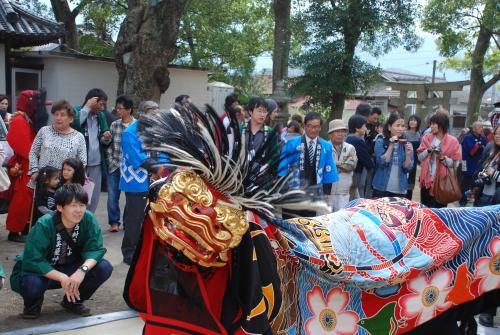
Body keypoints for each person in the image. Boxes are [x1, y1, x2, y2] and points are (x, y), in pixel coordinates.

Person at [10, 184, 113, 319]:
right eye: (73, 205)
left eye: (82, 205)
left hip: (72, 268)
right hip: (44, 272)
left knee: (104, 267)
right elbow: (34, 260)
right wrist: (61, 277)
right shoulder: (44, 224)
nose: (79, 210)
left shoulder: (88, 219)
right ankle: (32, 304)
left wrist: (82, 270)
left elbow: (95, 249)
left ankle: (73, 301)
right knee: (32, 283)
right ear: (60, 207)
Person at [119, 101, 166, 265]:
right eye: (151, 113)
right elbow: (134, 156)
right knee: (135, 218)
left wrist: (163, 165)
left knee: (153, 216)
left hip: (154, 179)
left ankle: (147, 248)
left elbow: (162, 152)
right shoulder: (130, 132)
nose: (154, 117)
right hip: (136, 181)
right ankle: (129, 252)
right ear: (142, 114)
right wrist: (155, 167)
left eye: (156, 114)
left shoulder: (155, 131)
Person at [6, 90, 48, 243]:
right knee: (21, 200)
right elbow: (24, 147)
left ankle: (24, 227)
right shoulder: (19, 120)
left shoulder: (26, 119)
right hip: (25, 166)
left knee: (27, 200)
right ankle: (14, 230)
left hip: (30, 165)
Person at [278, 112, 339, 217]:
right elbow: (282, 167)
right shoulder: (292, 143)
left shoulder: (326, 146)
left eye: (316, 127)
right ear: (304, 126)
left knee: (308, 226)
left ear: (320, 127)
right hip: (292, 192)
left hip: (313, 193)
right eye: (310, 126)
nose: (313, 130)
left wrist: (326, 192)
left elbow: (328, 170)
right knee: (289, 225)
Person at [28, 100, 87, 186]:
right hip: (44, 180)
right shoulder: (44, 131)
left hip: (66, 184)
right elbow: (33, 152)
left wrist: (71, 178)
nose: (58, 118)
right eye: (56, 114)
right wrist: (35, 170)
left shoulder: (79, 137)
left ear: (71, 119)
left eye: (62, 115)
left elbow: (82, 162)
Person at [72, 88, 111, 213]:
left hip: (96, 163)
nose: (103, 108)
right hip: (79, 163)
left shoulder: (101, 116)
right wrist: (87, 108)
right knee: (78, 194)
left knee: (93, 196)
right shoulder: (76, 111)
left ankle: (89, 219)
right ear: (92, 101)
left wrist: (106, 137)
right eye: (101, 104)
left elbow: (103, 136)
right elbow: (75, 125)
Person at [417, 112, 461, 208]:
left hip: (442, 183)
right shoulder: (427, 138)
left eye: (433, 124)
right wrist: (428, 150)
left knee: (439, 213)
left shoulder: (453, 141)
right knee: (425, 211)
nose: (431, 126)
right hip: (427, 182)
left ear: (441, 125)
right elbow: (419, 157)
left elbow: (454, 164)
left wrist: (442, 157)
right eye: (431, 123)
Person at [106, 95, 135, 233]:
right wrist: (110, 159)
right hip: (115, 165)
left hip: (131, 168)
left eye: (120, 108)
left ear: (129, 110)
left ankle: (127, 222)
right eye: (116, 108)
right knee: (112, 196)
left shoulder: (137, 126)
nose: (118, 111)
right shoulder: (114, 125)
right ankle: (114, 222)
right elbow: (108, 144)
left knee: (130, 197)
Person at [372, 113, 414, 198]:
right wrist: (391, 145)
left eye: (402, 126)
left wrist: (408, 154)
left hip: (400, 189)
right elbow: (381, 163)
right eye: (397, 125)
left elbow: (407, 169)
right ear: (389, 127)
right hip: (381, 188)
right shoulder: (380, 142)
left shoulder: (407, 144)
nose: (400, 129)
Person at [328, 119, 357, 211]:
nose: (340, 134)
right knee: (324, 218)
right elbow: (325, 166)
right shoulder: (324, 147)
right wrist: (343, 164)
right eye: (337, 131)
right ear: (331, 133)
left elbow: (352, 165)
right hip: (327, 191)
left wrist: (335, 164)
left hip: (344, 190)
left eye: (343, 131)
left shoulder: (350, 148)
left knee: (341, 217)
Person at [345, 114, 373, 198]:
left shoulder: (347, 138)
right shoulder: (357, 141)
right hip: (357, 174)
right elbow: (367, 162)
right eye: (364, 126)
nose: (365, 128)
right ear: (357, 128)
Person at [460, 121, 488, 206]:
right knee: (466, 182)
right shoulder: (468, 137)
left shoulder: (483, 138)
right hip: (467, 163)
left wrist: (480, 147)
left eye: (482, 127)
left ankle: (473, 200)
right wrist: (479, 147)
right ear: (474, 128)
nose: (481, 129)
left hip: (478, 164)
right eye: (479, 127)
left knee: (476, 183)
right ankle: (462, 200)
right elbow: (471, 152)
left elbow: (486, 149)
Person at [241, 97, 277, 162]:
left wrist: (266, 166)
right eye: (259, 111)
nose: (262, 115)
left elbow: (274, 155)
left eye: (265, 112)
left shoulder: (270, 132)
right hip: (239, 169)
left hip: (261, 170)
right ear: (250, 111)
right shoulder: (241, 129)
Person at [363, 107, 382, 198]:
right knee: (364, 181)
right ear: (369, 115)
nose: (376, 120)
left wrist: (380, 134)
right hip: (365, 156)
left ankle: (369, 198)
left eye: (377, 119)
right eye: (374, 118)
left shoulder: (378, 126)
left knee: (371, 181)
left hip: (375, 157)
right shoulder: (363, 125)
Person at [404, 115, 422, 200]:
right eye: (411, 120)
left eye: (415, 120)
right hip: (406, 158)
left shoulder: (419, 134)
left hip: (414, 159)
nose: (412, 122)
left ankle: (409, 200)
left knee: (411, 180)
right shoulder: (405, 133)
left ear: (418, 123)